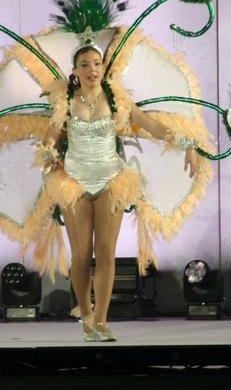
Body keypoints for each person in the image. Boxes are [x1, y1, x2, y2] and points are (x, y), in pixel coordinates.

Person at [38, 44, 199, 341]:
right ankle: (86, 314)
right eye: (84, 65)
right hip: (75, 182)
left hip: (110, 180)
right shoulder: (65, 102)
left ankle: (102, 320)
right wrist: (48, 154)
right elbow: (51, 136)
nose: (92, 70)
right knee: (82, 254)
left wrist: (187, 145)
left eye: (96, 63)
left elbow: (149, 123)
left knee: (107, 254)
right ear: (75, 71)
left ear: (104, 67)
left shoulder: (116, 99)